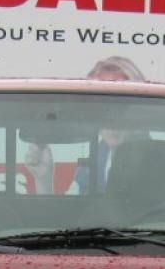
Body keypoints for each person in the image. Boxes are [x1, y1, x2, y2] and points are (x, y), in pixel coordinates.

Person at [24, 56, 146, 195]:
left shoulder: (157, 164)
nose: (111, 116)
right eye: (102, 105)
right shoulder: (95, 159)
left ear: (136, 109)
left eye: (121, 105)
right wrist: (44, 180)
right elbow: (74, 214)